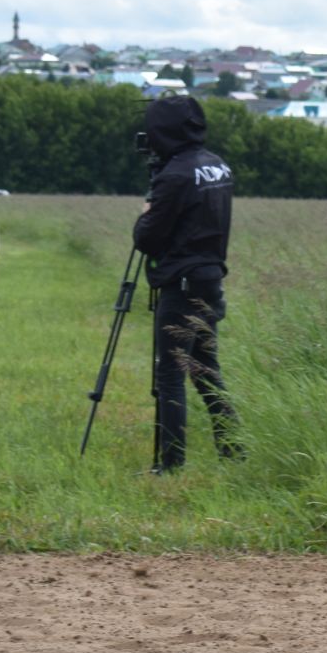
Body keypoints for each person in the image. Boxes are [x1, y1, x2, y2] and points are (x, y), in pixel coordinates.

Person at [132, 94, 239, 473]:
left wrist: (144, 213)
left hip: (179, 284)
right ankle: (233, 449)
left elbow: (146, 239)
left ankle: (171, 464)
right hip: (210, 280)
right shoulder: (217, 166)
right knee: (205, 367)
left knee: (171, 372)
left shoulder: (174, 175)